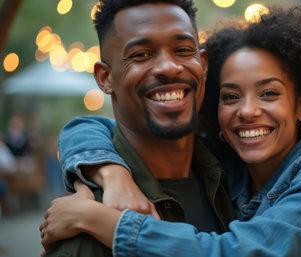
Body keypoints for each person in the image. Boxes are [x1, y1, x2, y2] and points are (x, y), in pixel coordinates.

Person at [41, 4, 301, 257]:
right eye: (230, 96)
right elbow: (88, 126)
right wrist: (109, 172)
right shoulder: (227, 163)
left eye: (269, 93)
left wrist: (101, 220)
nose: (247, 111)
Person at [39, 0, 236, 256]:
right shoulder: (88, 227)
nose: (168, 67)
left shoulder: (238, 179)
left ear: (204, 64)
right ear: (105, 78)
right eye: (141, 54)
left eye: (183, 50)